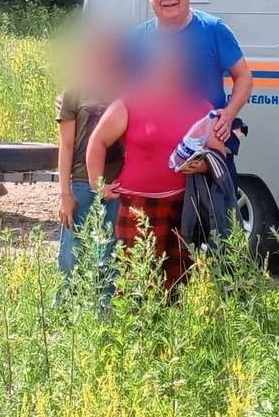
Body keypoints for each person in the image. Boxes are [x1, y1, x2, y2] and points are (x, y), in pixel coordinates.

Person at [86, 48, 226, 293]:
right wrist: (97, 184)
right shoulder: (130, 103)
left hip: (185, 207)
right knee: (137, 280)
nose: (171, 75)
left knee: (181, 278)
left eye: (177, 70)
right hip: (138, 204)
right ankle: (137, 331)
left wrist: (202, 165)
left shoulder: (202, 107)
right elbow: (97, 142)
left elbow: (219, 154)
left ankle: (172, 330)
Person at [126, 0, 253, 190]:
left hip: (206, 150)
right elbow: (123, 90)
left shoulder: (214, 29)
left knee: (214, 221)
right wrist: (72, 100)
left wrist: (229, 113)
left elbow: (244, 77)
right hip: (156, 153)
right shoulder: (138, 38)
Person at [55, 32, 124, 284]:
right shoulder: (73, 93)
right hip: (83, 183)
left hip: (118, 184)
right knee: (73, 254)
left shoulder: (125, 91)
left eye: (108, 52)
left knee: (110, 254)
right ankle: (65, 310)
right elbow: (66, 145)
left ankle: (104, 312)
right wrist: (65, 194)